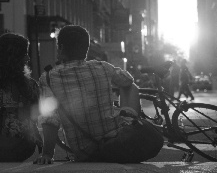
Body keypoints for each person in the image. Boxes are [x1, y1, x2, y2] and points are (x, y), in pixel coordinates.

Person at [35, 25, 163, 164]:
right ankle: (133, 121)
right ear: (86, 49)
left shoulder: (48, 78)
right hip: (116, 138)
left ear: (60, 48)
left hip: (85, 152)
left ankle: (128, 121)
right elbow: (128, 80)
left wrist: (47, 154)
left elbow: (50, 119)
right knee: (131, 87)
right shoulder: (102, 67)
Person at [0, 33, 42, 162]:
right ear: (15, 58)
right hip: (24, 148)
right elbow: (35, 117)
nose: (28, 58)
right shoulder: (31, 86)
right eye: (25, 54)